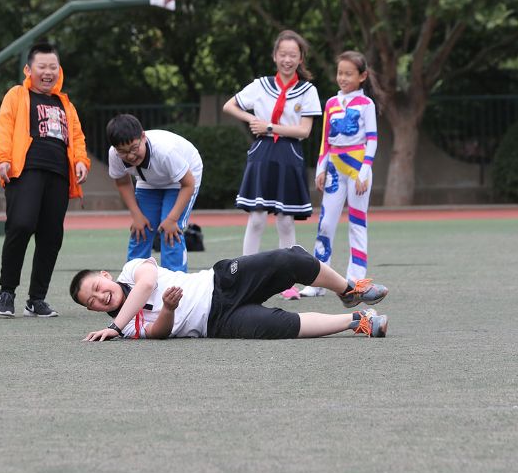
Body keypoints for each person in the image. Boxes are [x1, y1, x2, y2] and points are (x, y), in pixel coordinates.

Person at [68, 246, 388, 341]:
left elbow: (147, 284)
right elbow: (159, 333)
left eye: (97, 288)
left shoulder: (131, 269)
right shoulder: (125, 328)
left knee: (288, 261)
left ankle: (348, 290)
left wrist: (114, 326)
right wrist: (167, 309)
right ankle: (358, 320)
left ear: (106, 276)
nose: (100, 297)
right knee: (284, 327)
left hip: (220, 281)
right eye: (91, 302)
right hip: (219, 323)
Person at [0, 41, 90, 318]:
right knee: (21, 225)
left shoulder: (65, 104)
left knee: (51, 236)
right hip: (25, 171)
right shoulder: (17, 95)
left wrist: (81, 161)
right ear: (29, 70)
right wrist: (2, 159)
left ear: (59, 70)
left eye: (53, 67)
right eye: (42, 67)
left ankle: (36, 299)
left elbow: (77, 136)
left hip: (58, 175)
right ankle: (7, 292)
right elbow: (4, 127)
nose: (48, 72)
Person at [222, 29, 322, 301]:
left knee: (286, 221)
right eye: (283, 54)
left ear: (301, 58)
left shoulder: (308, 91)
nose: (287, 60)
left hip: (289, 155)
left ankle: (287, 282)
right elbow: (229, 105)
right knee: (256, 218)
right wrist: (252, 120)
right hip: (262, 152)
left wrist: (269, 126)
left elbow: (304, 131)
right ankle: (243, 277)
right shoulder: (260, 85)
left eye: (293, 55)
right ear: (275, 56)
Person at [299, 51, 379, 297]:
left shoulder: (366, 104)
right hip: (334, 168)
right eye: (340, 73)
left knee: (357, 223)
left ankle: (356, 280)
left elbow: (372, 139)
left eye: (348, 74)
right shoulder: (332, 103)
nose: (342, 78)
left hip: (357, 170)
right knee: (325, 223)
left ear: (362, 76)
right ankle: (318, 281)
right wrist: (321, 168)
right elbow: (325, 140)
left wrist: (364, 171)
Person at [106, 114, 204, 272]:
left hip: (182, 179)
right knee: (140, 230)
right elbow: (123, 182)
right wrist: (136, 215)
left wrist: (172, 219)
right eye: (123, 152)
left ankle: (175, 281)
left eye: (134, 148)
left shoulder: (165, 151)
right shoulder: (114, 154)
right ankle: (132, 280)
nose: (130, 156)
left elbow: (188, 184)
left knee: (170, 232)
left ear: (143, 137)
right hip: (149, 180)